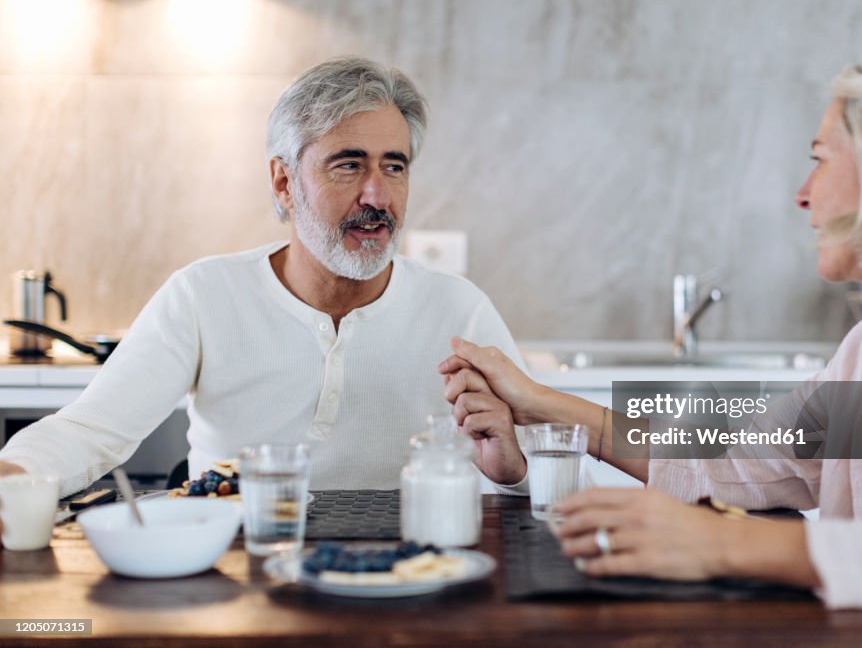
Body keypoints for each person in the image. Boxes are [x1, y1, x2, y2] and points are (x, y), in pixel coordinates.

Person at [440, 46, 862, 635]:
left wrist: (723, 542)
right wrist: (540, 401)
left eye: (821, 160)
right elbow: (736, 456)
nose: (803, 194)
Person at [0, 57, 528, 516]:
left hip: (414, 578)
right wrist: (12, 480)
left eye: (395, 166)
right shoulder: (203, 294)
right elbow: (91, 430)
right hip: (236, 577)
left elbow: (559, 466)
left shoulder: (460, 309)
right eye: (348, 165)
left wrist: (514, 471)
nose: (378, 194)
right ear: (283, 181)